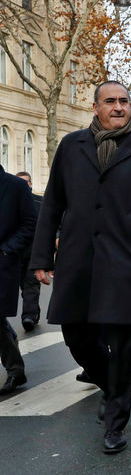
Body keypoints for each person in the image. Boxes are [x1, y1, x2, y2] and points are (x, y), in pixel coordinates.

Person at [29, 80, 131, 454]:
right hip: (77, 257)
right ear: (96, 108)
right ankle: (111, 386)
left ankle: (115, 422)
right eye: (110, 101)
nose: (119, 107)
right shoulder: (71, 146)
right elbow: (52, 204)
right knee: (75, 334)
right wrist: (42, 256)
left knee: (122, 342)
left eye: (125, 101)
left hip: (126, 260)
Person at [0, 166, 36, 395]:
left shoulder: (16, 187)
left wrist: (7, 250)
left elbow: (30, 224)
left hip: (2, 261)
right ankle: (15, 366)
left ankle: (15, 370)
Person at [14, 171, 42, 332]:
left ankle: (29, 316)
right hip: (15, 252)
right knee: (20, 285)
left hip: (33, 250)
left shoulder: (39, 202)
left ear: (31, 184)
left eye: (26, 182)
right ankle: (33, 312)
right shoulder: (8, 202)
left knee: (30, 284)